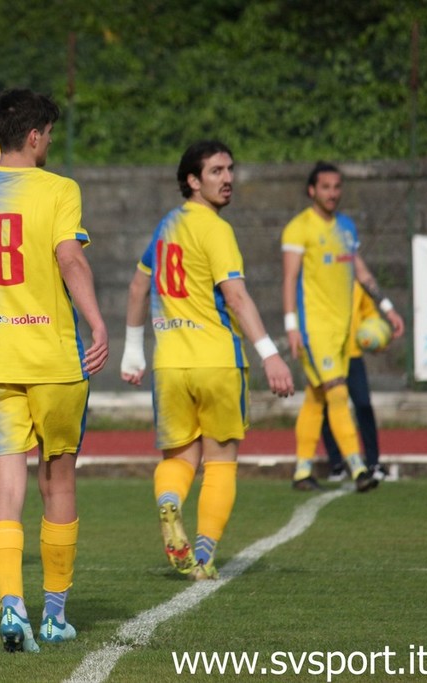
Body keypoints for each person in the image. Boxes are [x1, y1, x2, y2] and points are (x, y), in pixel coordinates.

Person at [0, 88, 109, 653]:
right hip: (54, 359)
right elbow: (70, 257)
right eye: (49, 135)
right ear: (35, 136)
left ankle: (12, 606)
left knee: (6, 487)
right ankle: (55, 616)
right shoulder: (60, 189)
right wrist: (97, 322)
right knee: (57, 481)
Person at [120, 140, 295, 583]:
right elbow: (235, 296)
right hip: (217, 361)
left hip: (170, 364)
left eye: (230, 169)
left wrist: (133, 350)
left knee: (179, 459)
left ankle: (169, 501)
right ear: (193, 181)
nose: (228, 178)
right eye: (216, 171)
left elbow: (138, 287)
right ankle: (202, 555)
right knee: (220, 462)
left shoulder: (166, 226)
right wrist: (271, 354)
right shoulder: (216, 230)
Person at [281, 162, 404, 493]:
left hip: (342, 331)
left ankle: (302, 471)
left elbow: (361, 273)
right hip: (314, 328)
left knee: (316, 397)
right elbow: (289, 278)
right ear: (312, 190)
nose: (332, 193)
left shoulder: (346, 227)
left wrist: (387, 308)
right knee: (337, 392)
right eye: (325, 187)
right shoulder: (299, 228)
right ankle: (358, 468)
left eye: (337, 187)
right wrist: (291, 326)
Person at [322, 283, 391, 483]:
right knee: (329, 408)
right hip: (329, 354)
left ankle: (373, 463)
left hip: (353, 355)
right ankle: (336, 464)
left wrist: (378, 336)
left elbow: (369, 313)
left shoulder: (355, 282)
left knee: (363, 405)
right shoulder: (322, 280)